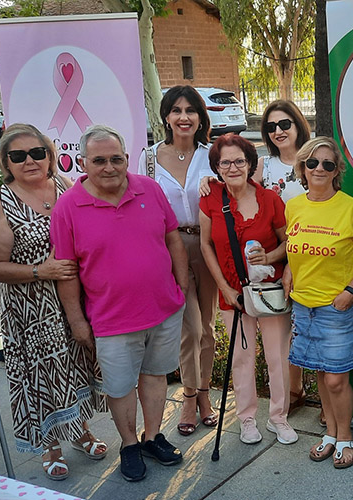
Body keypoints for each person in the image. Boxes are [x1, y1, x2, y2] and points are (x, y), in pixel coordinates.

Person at [51, 124, 188, 482]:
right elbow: (66, 271)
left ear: (127, 158)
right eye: (99, 160)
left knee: (156, 375)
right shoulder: (67, 207)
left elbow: (172, 237)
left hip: (163, 308)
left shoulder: (150, 189)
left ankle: (153, 436)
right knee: (120, 387)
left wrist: (181, 286)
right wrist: (77, 321)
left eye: (116, 159)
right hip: (111, 319)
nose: (109, 167)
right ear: (83, 162)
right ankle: (129, 444)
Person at [0, 123, 109, 480]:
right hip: (32, 309)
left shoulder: (65, 186)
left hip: (76, 300)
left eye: (37, 153)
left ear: (50, 155)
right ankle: (50, 445)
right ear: (6, 163)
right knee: (44, 376)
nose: (30, 161)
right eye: (18, 156)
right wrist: (40, 270)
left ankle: (79, 430)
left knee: (76, 367)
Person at [283, 136, 353, 469]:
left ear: (336, 171)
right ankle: (331, 434)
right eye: (312, 163)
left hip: (337, 307)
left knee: (336, 377)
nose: (319, 169)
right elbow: (294, 246)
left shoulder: (352, 208)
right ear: (302, 168)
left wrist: (349, 292)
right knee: (321, 373)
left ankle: (346, 435)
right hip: (303, 306)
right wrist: (288, 271)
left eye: (327, 164)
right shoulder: (294, 206)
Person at [199, 133, 296, 446]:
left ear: (250, 163)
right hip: (233, 294)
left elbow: (287, 243)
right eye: (224, 162)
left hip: (269, 292)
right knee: (241, 358)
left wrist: (269, 257)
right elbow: (205, 244)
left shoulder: (270, 200)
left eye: (239, 160)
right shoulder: (211, 198)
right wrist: (224, 289)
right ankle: (247, 418)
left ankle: (278, 417)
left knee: (277, 356)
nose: (232, 167)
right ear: (216, 166)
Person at [139, 86, 219, 436]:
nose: (184, 117)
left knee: (208, 327)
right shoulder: (150, 158)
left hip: (208, 246)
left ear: (201, 118)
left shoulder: (214, 154)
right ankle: (189, 396)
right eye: (176, 110)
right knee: (190, 328)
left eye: (191, 110)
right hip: (170, 248)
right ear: (167, 117)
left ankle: (204, 393)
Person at [254, 100, 313, 417]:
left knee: (316, 326)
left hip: (315, 256)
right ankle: (293, 390)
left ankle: (326, 399)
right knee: (282, 330)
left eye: (284, 124)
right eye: (271, 127)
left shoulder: (315, 159)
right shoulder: (264, 166)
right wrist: (209, 182)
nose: (278, 131)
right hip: (276, 257)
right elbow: (240, 196)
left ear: (298, 124)